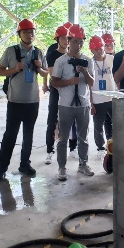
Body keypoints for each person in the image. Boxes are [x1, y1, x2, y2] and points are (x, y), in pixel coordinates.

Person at [0, 19, 47, 180]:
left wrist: (39, 67)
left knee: (28, 135)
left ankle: (25, 164)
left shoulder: (38, 52)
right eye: (25, 32)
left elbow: (45, 73)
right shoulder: (11, 51)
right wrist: (14, 69)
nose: (29, 35)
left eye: (31, 32)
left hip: (33, 101)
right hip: (15, 101)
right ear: (19, 34)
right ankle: (1, 168)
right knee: (10, 135)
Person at [50, 25, 96, 181]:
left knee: (83, 137)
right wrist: (70, 81)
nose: (78, 45)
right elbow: (54, 82)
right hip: (65, 105)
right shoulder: (61, 61)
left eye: (81, 41)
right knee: (63, 137)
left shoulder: (87, 61)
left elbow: (92, 82)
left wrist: (84, 71)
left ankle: (83, 163)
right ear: (68, 41)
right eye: (75, 41)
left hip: (83, 103)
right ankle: (62, 167)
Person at [44, 24, 71, 165]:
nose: (66, 41)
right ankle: (50, 150)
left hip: (70, 90)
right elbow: (54, 76)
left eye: (68, 38)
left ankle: (73, 147)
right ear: (57, 39)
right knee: (52, 119)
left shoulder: (73, 53)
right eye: (63, 38)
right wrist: (69, 80)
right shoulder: (52, 55)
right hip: (56, 90)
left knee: (71, 119)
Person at [89, 35, 115, 152]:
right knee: (98, 126)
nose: (99, 51)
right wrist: (91, 103)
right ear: (91, 50)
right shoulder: (90, 63)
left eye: (100, 48)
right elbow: (88, 85)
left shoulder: (111, 58)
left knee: (116, 122)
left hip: (112, 97)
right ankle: (100, 148)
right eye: (96, 49)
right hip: (97, 99)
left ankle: (113, 143)